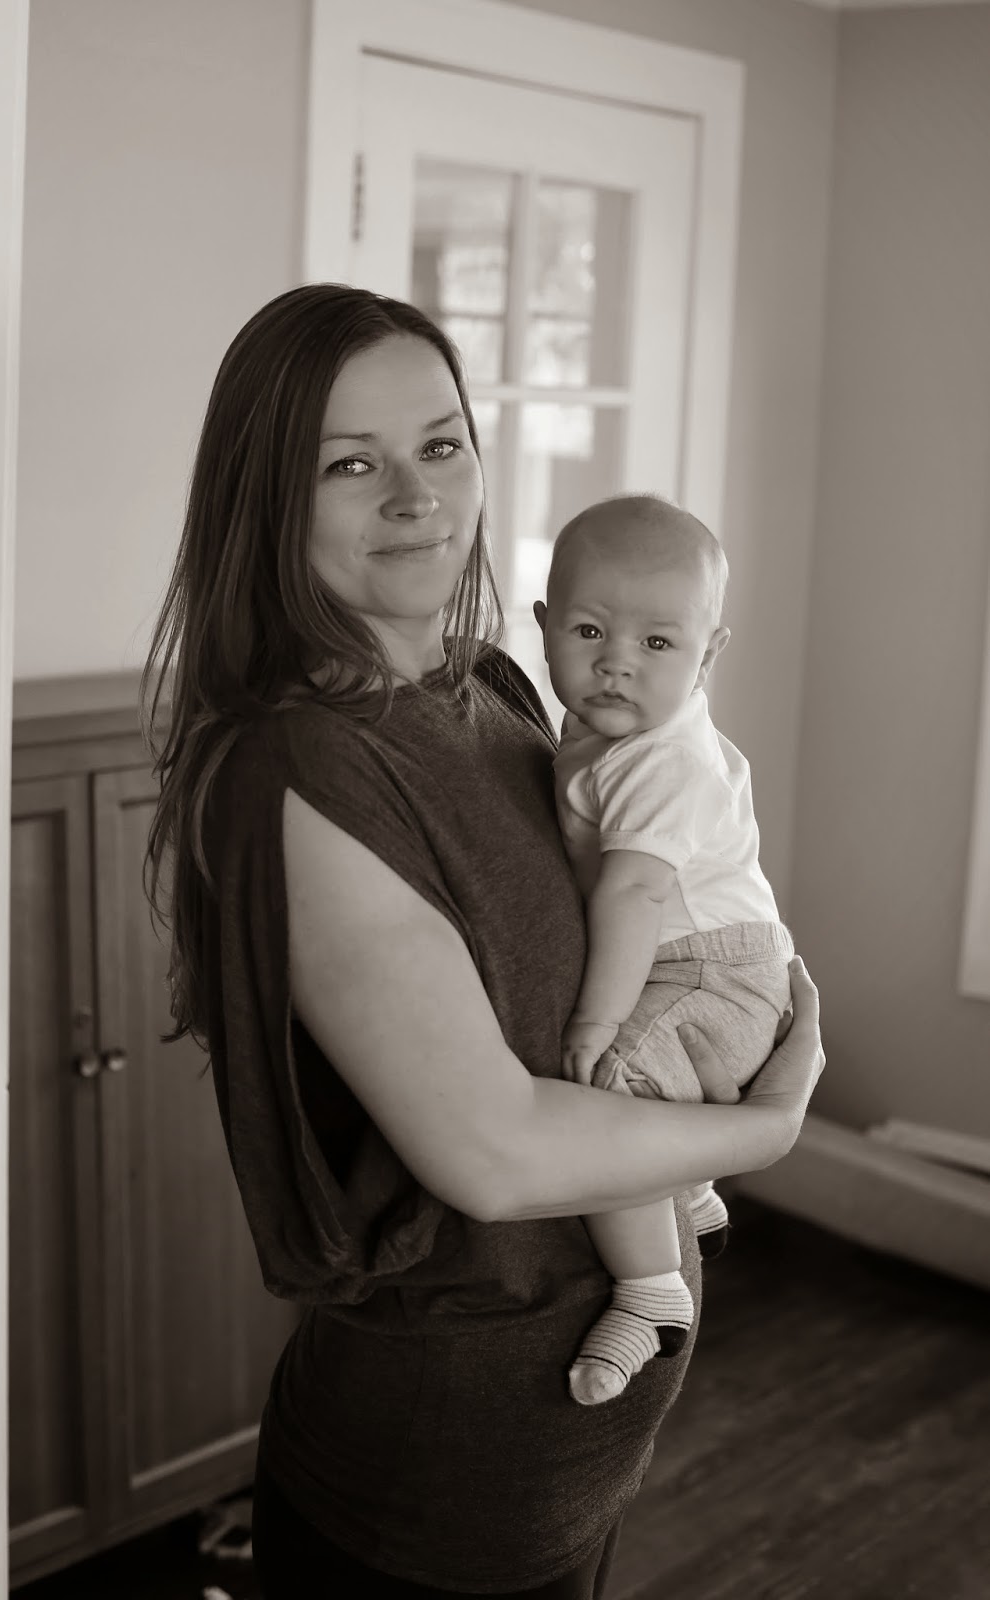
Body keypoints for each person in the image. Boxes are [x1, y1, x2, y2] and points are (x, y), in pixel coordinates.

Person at [142, 284, 824, 1599]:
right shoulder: (302, 765)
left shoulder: (499, 690)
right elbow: (494, 1155)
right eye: (350, 464)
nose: (416, 497)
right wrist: (767, 1128)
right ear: (266, 500)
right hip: (437, 1490)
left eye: (440, 443)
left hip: (567, 1466)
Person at [533, 496, 795, 1408]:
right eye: (590, 632)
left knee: (607, 1097)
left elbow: (634, 892)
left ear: (707, 654)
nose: (617, 662)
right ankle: (689, 1191)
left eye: (656, 643)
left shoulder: (658, 759)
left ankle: (651, 1294)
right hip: (711, 966)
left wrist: (596, 1021)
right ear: (544, 625)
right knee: (623, 1095)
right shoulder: (601, 732)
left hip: (713, 975)